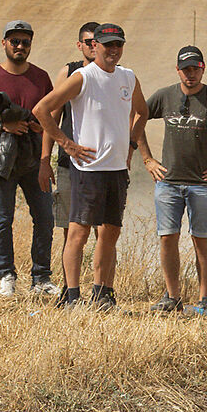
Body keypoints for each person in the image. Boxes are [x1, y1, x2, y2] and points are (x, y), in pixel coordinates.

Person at [34, 21, 146, 310]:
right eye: (108, 45)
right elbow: (42, 110)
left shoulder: (129, 77)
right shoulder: (83, 77)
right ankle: (72, 296)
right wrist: (66, 143)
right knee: (78, 233)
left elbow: (142, 112)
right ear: (94, 46)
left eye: (118, 44)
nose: (114, 50)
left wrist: (132, 145)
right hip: (88, 170)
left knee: (109, 233)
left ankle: (101, 294)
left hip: (117, 170)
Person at [0, 20, 59, 297]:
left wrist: (44, 153)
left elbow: (51, 117)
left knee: (45, 217)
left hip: (33, 155)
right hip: (1, 157)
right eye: (15, 41)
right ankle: (6, 276)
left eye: (25, 42)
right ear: (4, 43)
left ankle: (41, 278)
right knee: (2, 218)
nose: (20, 46)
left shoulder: (41, 78)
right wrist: (3, 126)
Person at [143, 44, 207, 314]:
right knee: (168, 238)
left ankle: (204, 300)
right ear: (177, 70)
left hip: (202, 184)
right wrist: (148, 160)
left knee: (201, 239)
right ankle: (172, 297)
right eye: (185, 69)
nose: (191, 74)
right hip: (169, 182)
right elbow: (137, 118)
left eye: (195, 69)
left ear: (203, 68)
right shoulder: (165, 96)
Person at [52, 22, 99, 237]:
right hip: (69, 163)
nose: (94, 46)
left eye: (97, 41)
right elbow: (51, 117)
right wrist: (46, 159)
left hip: (102, 163)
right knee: (70, 231)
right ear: (80, 45)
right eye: (89, 42)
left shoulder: (115, 74)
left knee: (103, 230)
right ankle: (69, 273)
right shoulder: (69, 72)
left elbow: (133, 116)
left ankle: (104, 273)